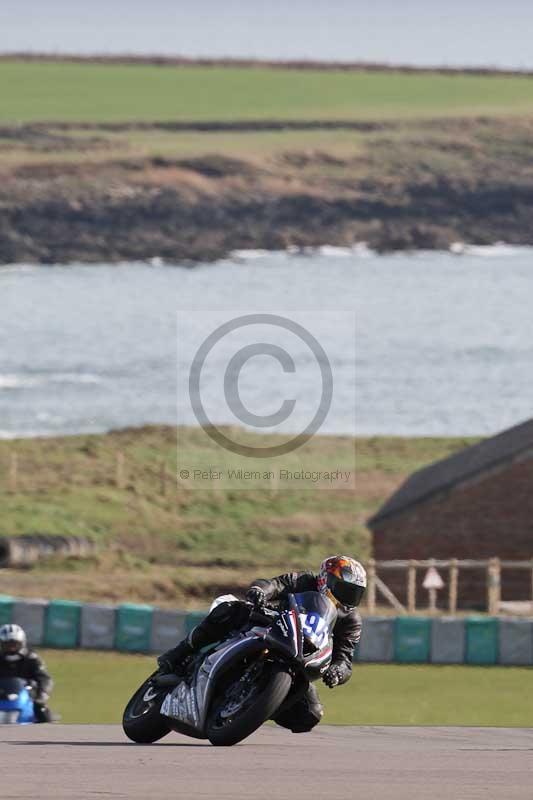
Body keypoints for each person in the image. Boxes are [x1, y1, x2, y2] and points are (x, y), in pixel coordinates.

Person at [158, 555, 366, 734]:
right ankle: (180, 652)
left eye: (354, 594)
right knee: (231, 609)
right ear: (325, 580)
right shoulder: (305, 580)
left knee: (310, 714)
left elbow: (345, 659)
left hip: (300, 654)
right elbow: (274, 584)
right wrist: (260, 591)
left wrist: (338, 672)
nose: (349, 599)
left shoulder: (351, 620)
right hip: (269, 623)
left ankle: (252, 706)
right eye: (345, 590)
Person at [0, 624, 53, 723]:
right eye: (7, 645)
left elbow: (44, 678)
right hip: (2, 697)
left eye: (14, 644)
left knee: (42, 710)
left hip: (27, 698)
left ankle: (51, 733)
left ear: (22, 643)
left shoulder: (32, 659)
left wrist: (41, 695)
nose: (11, 648)